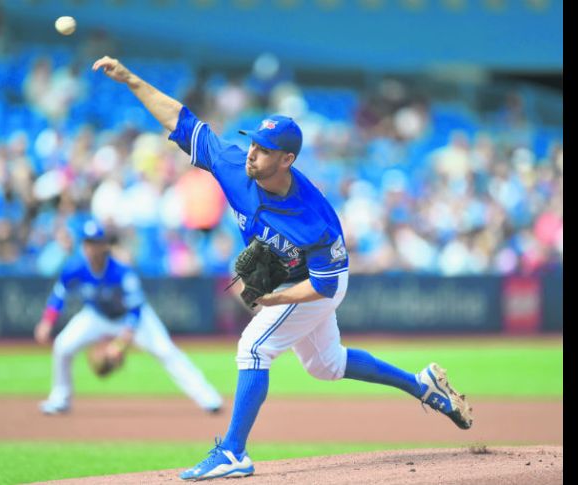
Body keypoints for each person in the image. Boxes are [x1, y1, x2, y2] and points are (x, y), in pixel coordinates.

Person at [92, 56, 474, 481]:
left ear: (287, 160)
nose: (252, 153)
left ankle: (233, 452)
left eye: (263, 150)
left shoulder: (315, 219)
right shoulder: (235, 166)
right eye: (252, 144)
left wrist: (277, 298)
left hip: (315, 283)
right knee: (325, 366)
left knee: (254, 348)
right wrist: (131, 80)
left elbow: (325, 289)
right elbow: (182, 120)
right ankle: (421, 384)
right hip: (295, 281)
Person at [33, 219, 224, 415]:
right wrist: (47, 321)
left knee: (166, 351)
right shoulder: (74, 268)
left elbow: (135, 308)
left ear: (104, 245)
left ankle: (209, 398)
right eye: (88, 243)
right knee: (63, 346)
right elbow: (59, 295)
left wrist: (122, 342)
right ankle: (60, 399)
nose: (92, 248)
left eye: (96, 242)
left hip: (133, 318)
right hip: (96, 316)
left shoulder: (121, 271)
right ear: (83, 245)